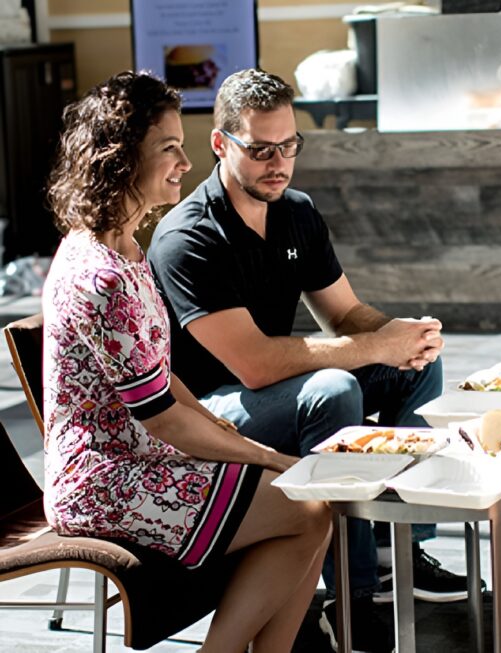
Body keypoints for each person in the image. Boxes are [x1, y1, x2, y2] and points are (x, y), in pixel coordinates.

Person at [146, 68, 466, 651]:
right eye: (262, 149)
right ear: (220, 144)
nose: (279, 163)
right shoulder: (186, 238)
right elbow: (255, 366)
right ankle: (353, 594)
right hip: (208, 412)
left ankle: (404, 551)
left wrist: (402, 334)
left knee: (416, 366)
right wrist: (375, 346)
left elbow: (344, 315)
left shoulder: (295, 210)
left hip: (273, 387)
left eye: (289, 146)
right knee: (332, 391)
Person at [42, 71, 331, 652]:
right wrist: (268, 456)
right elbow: (163, 418)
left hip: (142, 459)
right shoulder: (101, 274)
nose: (183, 160)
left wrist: (228, 432)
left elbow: (162, 376)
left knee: (311, 506)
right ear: (121, 159)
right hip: (103, 483)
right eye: (168, 147)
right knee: (308, 503)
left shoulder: (123, 248)